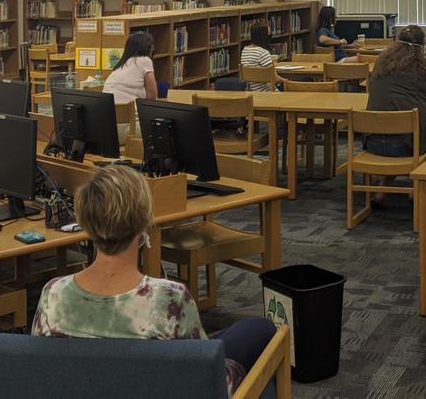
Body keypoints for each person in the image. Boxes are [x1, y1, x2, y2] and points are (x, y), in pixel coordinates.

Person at [32, 166, 277, 394]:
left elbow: (39, 372)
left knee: (247, 331)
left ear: (84, 222)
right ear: (145, 225)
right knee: (264, 335)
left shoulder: (53, 294)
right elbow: (210, 383)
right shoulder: (169, 299)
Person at [365, 25, 426, 204]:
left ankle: (381, 192)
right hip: (407, 146)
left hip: (372, 142)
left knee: (399, 132)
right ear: (421, 47)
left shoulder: (381, 61)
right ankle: (421, 189)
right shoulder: (424, 65)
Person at [102, 32, 158, 140]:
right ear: (149, 49)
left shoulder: (120, 65)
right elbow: (152, 99)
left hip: (107, 128)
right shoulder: (144, 60)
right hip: (129, 130)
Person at [240, 23, 285, 91]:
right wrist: (287, 81)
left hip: (252, 92)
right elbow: (275, 79)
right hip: (267, 92)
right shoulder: (263, 52)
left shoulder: (245, 50)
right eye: (269, 35)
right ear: (264, 37)